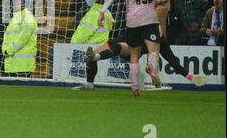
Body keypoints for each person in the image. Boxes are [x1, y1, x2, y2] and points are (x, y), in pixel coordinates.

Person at [98, 0, 169, 97]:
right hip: (149, 17)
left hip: (132, 20)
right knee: (153, 50)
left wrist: (103, 11)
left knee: (134, 53)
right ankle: (152, 68)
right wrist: (156, 1)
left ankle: (135, 88)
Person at [75, 31, 208, 91]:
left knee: (117, 47)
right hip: (127, 47)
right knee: (112, 48)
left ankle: (151, 69)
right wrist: (191, 77)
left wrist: (191, 77)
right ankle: (90, 83)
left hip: (129, 50)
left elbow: (173, 62)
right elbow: (173, 62)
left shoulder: (159, 40)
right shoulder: (149, 32)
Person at [2, 0, 38, 76]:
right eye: (16, 2)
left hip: (23, 65)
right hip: (11, 63)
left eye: (19, 2)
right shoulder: (15, 18)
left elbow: (23, 38)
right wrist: (4, 49)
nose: (16, 4)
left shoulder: (28, 17)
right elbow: (6, 35)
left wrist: (9, 51)